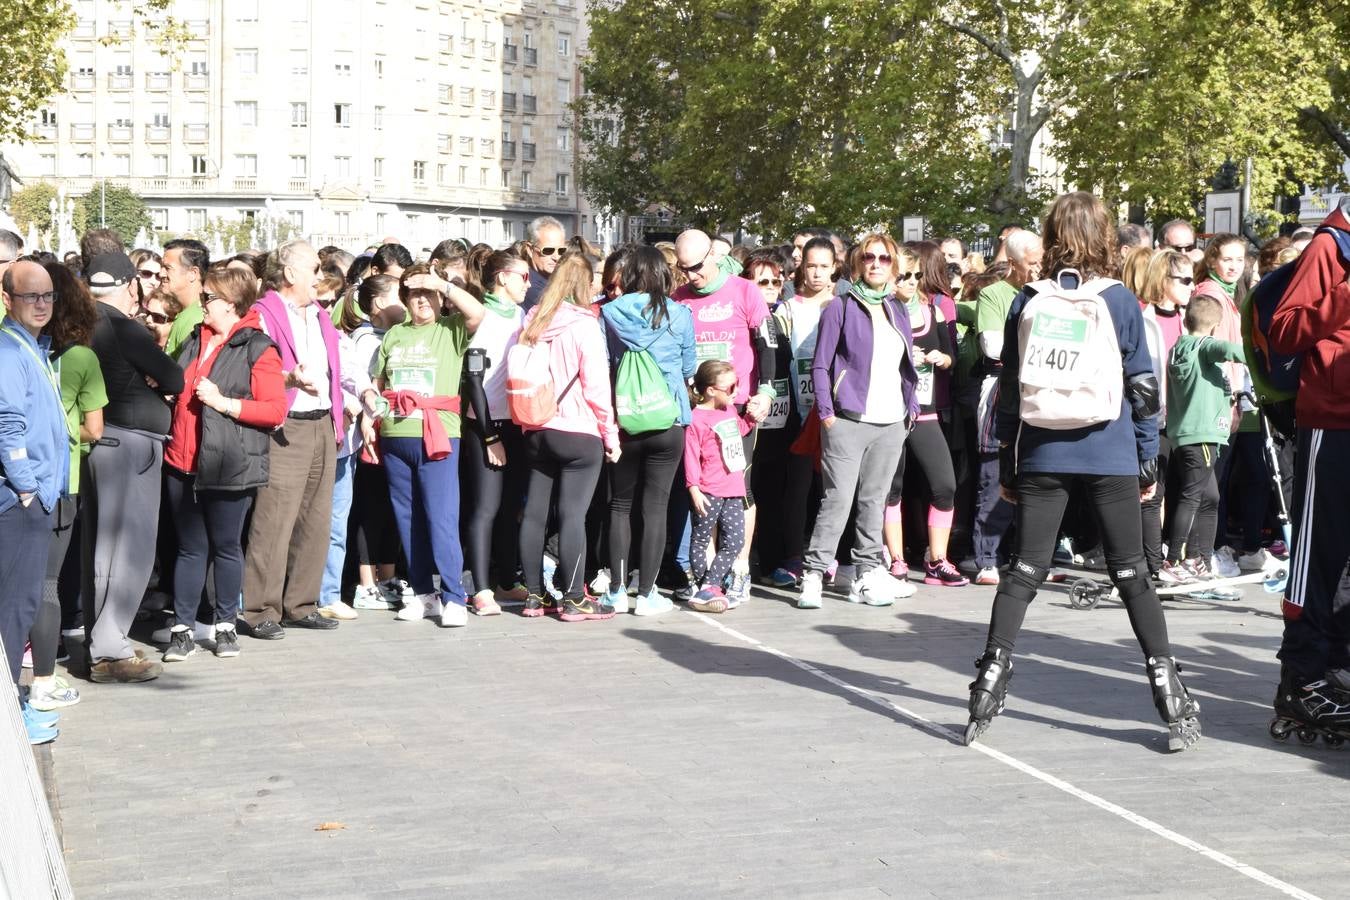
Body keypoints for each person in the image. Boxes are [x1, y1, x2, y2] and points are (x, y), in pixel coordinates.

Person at [966, 191, 1199, 752]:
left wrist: (1009, 457)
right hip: (1109, 450)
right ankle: (1167, 686)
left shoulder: (1028, 298)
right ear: (1104, 237)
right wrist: (1146, 455)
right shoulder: (1117, 299)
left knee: (1025, 569)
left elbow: (1010, 392)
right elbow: (1143, 386)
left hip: (1044, 450)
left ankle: (991, 674)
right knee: (1131, 572)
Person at [161, 267, 287, 662]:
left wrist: (224, 402)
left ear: (231, 304)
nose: (202, 303)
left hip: (229, 463)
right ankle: (182, 630)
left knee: (228, 547)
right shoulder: (194, 339)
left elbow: (274, 411)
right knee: (190, 549)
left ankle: (225, 626)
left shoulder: (257, 346)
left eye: (209, 298)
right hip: (183, 459)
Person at [798, 232, 919, 610]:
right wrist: (827, 413)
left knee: (874, 500)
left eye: (885, 258)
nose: (876, 263)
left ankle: (866, 572)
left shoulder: (898, 307)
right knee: (837, 500)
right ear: (857, 262)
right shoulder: (841, 306)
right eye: (869, 257)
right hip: (848, 419)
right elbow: (821, 363)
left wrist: (910, 408)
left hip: (891, 421)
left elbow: (907, 363)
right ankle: (815, 573)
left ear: (893, 265)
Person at [1267, 195, 1350, 740]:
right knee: (1318, 557)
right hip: (1333, 422)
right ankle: (1302, 679)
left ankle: (1337, 670)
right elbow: (1285, 330)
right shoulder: (1331, 244)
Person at [360, 264, 484, 627]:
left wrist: (440, 282)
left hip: (437, 435)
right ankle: (423, 594)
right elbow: (378, 383)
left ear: (439, 298)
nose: (422, 300)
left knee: (441, 517)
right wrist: (371, 415)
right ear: (405, 299)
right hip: (397, 436)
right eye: (415, 294)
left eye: (428, 294)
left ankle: (453, 596)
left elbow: (477, 311)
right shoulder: (394, 335)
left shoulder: (451, 330)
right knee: (408, 519)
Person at [239, 240, 349, 640]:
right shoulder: (263, 314)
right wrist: (288, 378)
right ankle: (259, 610)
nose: (320, 276)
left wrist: (350, 403)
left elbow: (340, 366)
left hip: (322, 422)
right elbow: (252, 368)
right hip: (285, 426)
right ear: (288, 274)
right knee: (274, 520)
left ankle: (301, 604)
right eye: (313, 269)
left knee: (315, 520)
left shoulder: (321, 316)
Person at [83, 251, 183, 683]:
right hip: (131, 442)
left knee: (103, 548)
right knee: (131, 550)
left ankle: (102, 640)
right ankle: (109, 648)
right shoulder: (120, 325)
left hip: (100, 443)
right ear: (131, 285)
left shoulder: (77, 321)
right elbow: (174, 378)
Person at [672, 229, 777, 604]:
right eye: (684, 269)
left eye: (697, 267)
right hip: (699, 413)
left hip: (738, 410)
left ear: (715, 256)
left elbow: (767, 343)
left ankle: (741, 569)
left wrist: (766, 391)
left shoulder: (745, 291)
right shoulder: (680, 297)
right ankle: (711, 574)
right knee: (705, 493)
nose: (691, 276)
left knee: (738, 491)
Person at [517, 253, 621, 621]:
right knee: (572, 515)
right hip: (577, 430)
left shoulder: (533, 320)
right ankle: (575, 597)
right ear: (585, 284)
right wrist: (611, 435)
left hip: (536, 427)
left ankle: (532, 596)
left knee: (534, 514)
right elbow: (596, 386)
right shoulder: (584, 325)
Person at [600, 245, 696, 616]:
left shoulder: (609, 313)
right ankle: (648, 594)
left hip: (625, 418)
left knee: (620, 505)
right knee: (655, 507)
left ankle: (617, 590)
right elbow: (689, 366)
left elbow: (604, 362)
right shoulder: (680, 314)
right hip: (668, 418)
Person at [28, 262, 104, 712]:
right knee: (47, 584)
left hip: (18, 479)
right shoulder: (81, 357)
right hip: (62, 481)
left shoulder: (15, 347)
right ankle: (44, 680)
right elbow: (96, 427)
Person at [0, 260, 71, 744]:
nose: (42, 304)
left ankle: (13, 706)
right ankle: (8, 716)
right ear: (8, 299)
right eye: (31, 296)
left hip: (32, 495)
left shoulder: (30, 345)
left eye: (47, 295)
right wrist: (27, 487)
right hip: (21, 500)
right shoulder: (9, 351)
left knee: (18, 606)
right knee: (15, 609)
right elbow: (8, 425)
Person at [883, 243, 965, 586]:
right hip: (889, 412)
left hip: (926, 410)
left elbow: (951, 358)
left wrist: (939, 358)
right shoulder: (883, 312)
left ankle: (937, 560)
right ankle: (896, 559)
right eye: (904, 276)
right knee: (891, 487)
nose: (912, 282)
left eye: (917, 275)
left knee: (945, 485)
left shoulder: (935, 312)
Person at [968, 231, 1043, 585]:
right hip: (1003, 390)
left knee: (1038, 475)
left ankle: (1028, 555)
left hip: (1040, 393)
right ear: (1012, 263)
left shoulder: (1049, 293)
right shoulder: (993, 294)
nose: (1041, 268)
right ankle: (987, 557)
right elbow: (993, 347)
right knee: (993, 474)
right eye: (1033, 263)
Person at [459, 251, 530, 614]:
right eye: (523, 276)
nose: (528, 284)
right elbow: (473, 380)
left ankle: (506, 579)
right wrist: (489, 436)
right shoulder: (482, 315)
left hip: (515, 420)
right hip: (485, 424)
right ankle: (481, 587)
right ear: (503, 277)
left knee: (510, 507)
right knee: (485, 506)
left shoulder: (518, 313)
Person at [1158, 294, 1245, 584]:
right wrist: (1258, 350)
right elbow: (1228, 349)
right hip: (1203, 436)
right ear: (1215, 326)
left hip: (1185, 434)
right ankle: (1175, 561)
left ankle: (1200, 560)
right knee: (1192, 497)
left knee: (1211, 497)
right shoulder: (1205, 346)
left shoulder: (1179, 347)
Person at [768, 236, 837, 587]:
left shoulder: (844, 304)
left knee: (833, 488)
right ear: (801, 266)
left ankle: (829, 554)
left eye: (824, 266)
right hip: (798, 410)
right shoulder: (787, 308)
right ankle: (793, 555)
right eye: (812, 265)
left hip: (837, 412)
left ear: (835, 267)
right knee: (796, 485)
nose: (817, 273)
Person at [342, 275, 408, 611]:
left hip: (392, 428)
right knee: (372, 507)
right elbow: (369, 385)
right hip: (371, 432)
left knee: (390, 506)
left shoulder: (395, 336)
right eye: (399, 294)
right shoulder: (367, 341)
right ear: (379, 303)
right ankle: (366, 583)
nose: (406, 299)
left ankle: (387, 576)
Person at [1136, 250, 1193, 576]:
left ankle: (1178, 558)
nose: (1190, 286)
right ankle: (1153, 564)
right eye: (1183, 280)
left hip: (1185, 420)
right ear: (1163, 280)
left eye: (1191, 279)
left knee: (1187, 490)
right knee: (1152, 493)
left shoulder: (1188, 320)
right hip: (1154, 420)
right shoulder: (1146, 320)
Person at [684, 360, 754, 613]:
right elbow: (690, 455)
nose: (735, 392)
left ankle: (710, 585)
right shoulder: (696, 418)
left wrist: (751, 418)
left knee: (735, 540)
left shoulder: (730, 410)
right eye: (730, 387)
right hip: (709, 488)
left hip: (733, 487)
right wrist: (693, 487)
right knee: (701, 538)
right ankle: (706, 587)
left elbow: (740, 430)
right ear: (711, 390)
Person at [160, 239, 210, 359]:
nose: (161, 274)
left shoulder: (196, 320)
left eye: (167, 268)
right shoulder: (188, 313)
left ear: (193, 273)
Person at [523, 215, 568, 311]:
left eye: (561, 251)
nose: (556, 257)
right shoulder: (527, 286)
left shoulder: (558, 280)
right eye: (548, 250)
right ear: (530, 249)